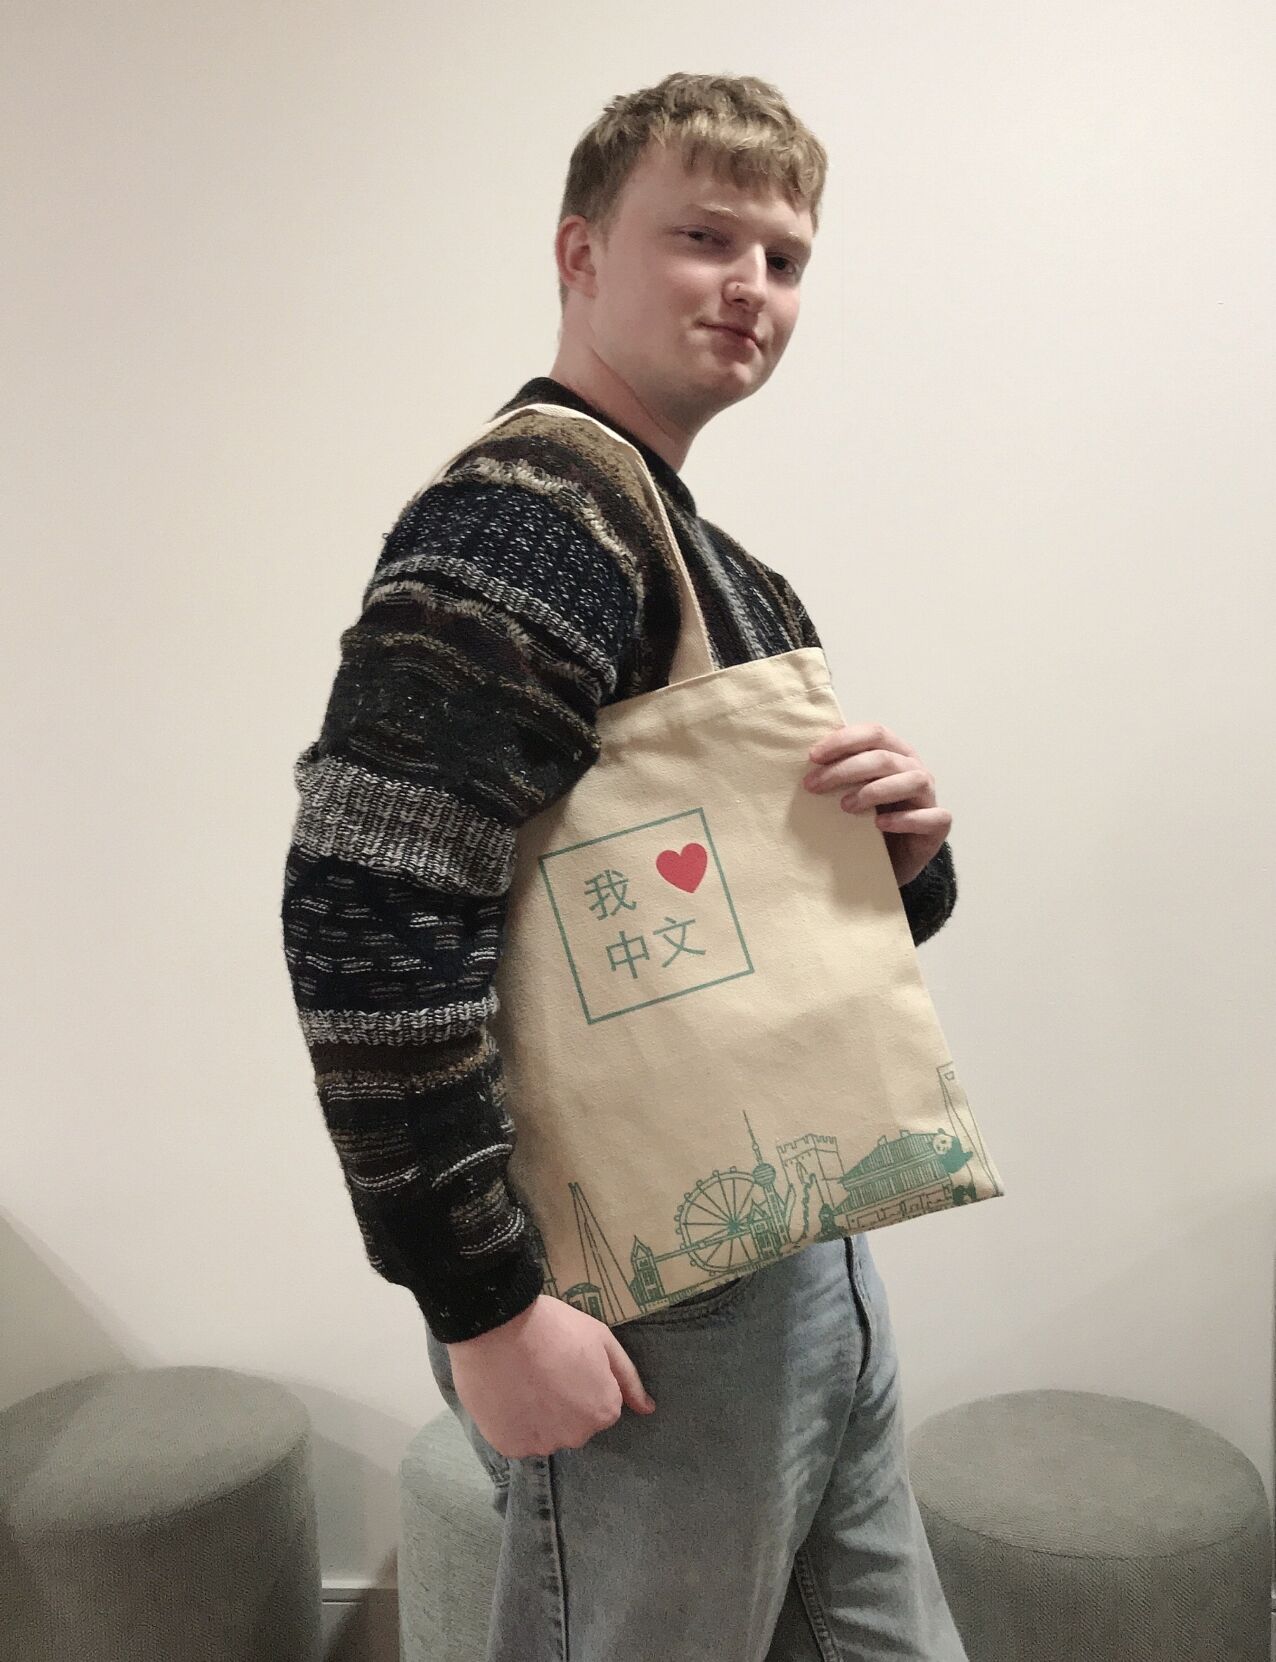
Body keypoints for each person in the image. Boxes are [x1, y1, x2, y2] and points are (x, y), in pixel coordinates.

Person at [282, 71, 967, 1662]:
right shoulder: (531, 511)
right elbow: (367, 904)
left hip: (807, 1249)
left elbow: (761, 929)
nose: (752, 285)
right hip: (660, 1301)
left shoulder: (716, 555)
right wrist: (485, 1304)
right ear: (579, 253)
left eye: (785, 256)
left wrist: (907, 858)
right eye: (703, 235)